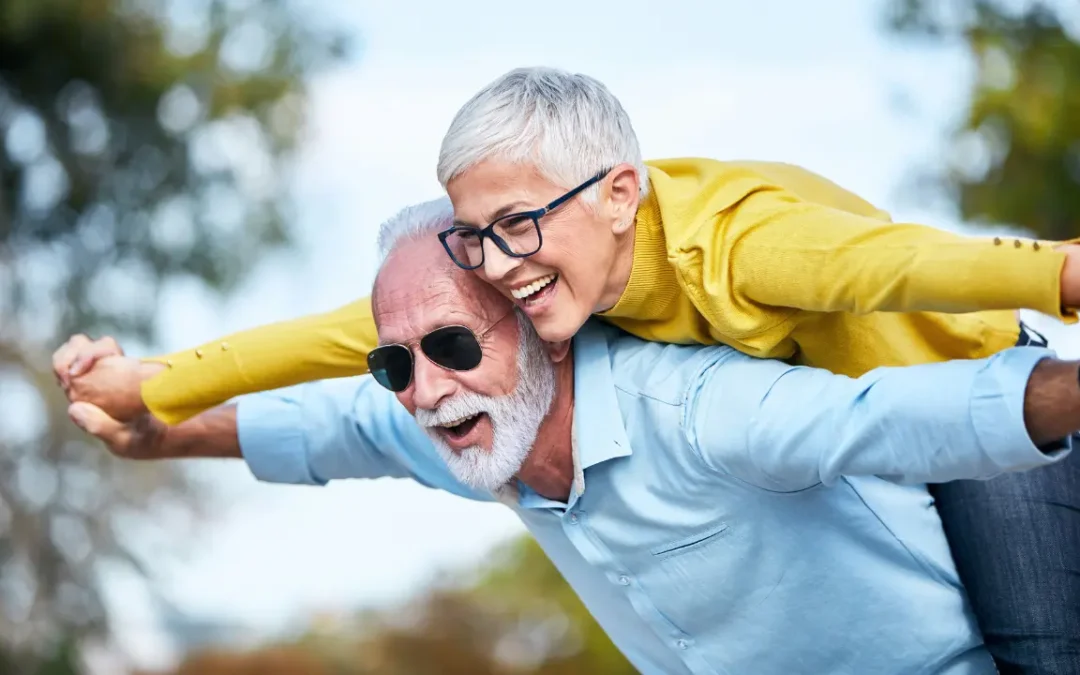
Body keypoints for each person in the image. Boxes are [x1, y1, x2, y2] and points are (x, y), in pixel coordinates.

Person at [59, 69, 1080, 672]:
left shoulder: (721, 308)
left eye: (517, 228)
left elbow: (899, 313)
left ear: (618, 194)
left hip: (988, 409)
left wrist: (1064, 276)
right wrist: (157, 397)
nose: (499, 263)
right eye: (476, 239)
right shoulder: (481, 377)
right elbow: (332, 392)